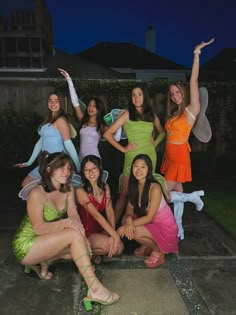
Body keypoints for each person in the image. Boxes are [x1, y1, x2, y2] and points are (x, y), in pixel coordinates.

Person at [12, 151, 119, 311]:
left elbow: (73, 214)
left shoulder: (68, 188)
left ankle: (46, 260)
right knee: (73, 236)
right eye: (60, 168)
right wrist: (67, 224)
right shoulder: (37, 193)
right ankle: (95, 289)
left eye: (69, 168)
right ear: (49, 170)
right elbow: (39, 228)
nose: (66, 172)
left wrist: (82, 236)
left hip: (47, 241)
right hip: (27, 244)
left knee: (83, 248)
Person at [160, 39, 215, 239]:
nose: (175, 96)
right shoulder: (175, 113)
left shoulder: (191, 111)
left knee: (161, 195)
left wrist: (196, 54)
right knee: (178, 194)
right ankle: (179, 229)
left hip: (179, 156)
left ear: (183, 91)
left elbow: (193, 81)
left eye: (177, 92)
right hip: (169, 156)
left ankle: (194, 198)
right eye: (172, 94)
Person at [103, 83, 165, 225]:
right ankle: (112, 228)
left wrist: (155, 142)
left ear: (145, 96)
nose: (136, 98)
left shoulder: (151, 115)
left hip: (149, 158)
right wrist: (123, 149)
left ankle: (142, 229)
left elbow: (162, 132)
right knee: (125, 194)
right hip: (132, 157)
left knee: (146, 194)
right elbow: (107, 134)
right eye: (133, 95)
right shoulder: (127, 114)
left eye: (139, 94)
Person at [118, 154, 178, 268]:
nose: (138, 170)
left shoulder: (155, 188)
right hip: (151, 223)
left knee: (133, 230)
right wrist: (128, 222)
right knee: (124, 221)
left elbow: (150, 217)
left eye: (143, 167)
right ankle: (147, 245)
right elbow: (129, 209)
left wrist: (127, 226)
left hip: (164, 227)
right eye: (135, 166)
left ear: (149, 170)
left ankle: (159, 251)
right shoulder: (134, 184)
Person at [15, 92, 80, 187]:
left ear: (61, 103)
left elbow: (69, 145)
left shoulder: (61, 121)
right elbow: (40, 142)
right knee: (26, 184)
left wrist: (78, 167)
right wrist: (29, 162)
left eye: (56, 101)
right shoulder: (48, 120)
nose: (53, 103)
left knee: (52, 188)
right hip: (45, 162)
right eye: (50, 100)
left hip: (57, 162)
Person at [76, 155, 124, 262]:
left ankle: (92, 254)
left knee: (119, 248)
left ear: (100, 169)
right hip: (85, 232)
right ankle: (83, 252)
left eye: (94, 169)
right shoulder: (81, 191)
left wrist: (112, 234)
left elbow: (110, 212)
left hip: (100, 230)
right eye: (87, 170)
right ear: (83, 172)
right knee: (114, 247)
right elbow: (96, 215)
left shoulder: (105, 187)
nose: (91, 173)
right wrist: (115, 235)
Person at [58, 68, 108, 163]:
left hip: (94, 159)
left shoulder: (101, 125)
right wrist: (69, 79)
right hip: (81, 158)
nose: (90, 108)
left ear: (99, 109)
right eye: (89, 105)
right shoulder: (83, 120)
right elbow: (75, 102)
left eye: (94, 106)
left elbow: (116, 138)